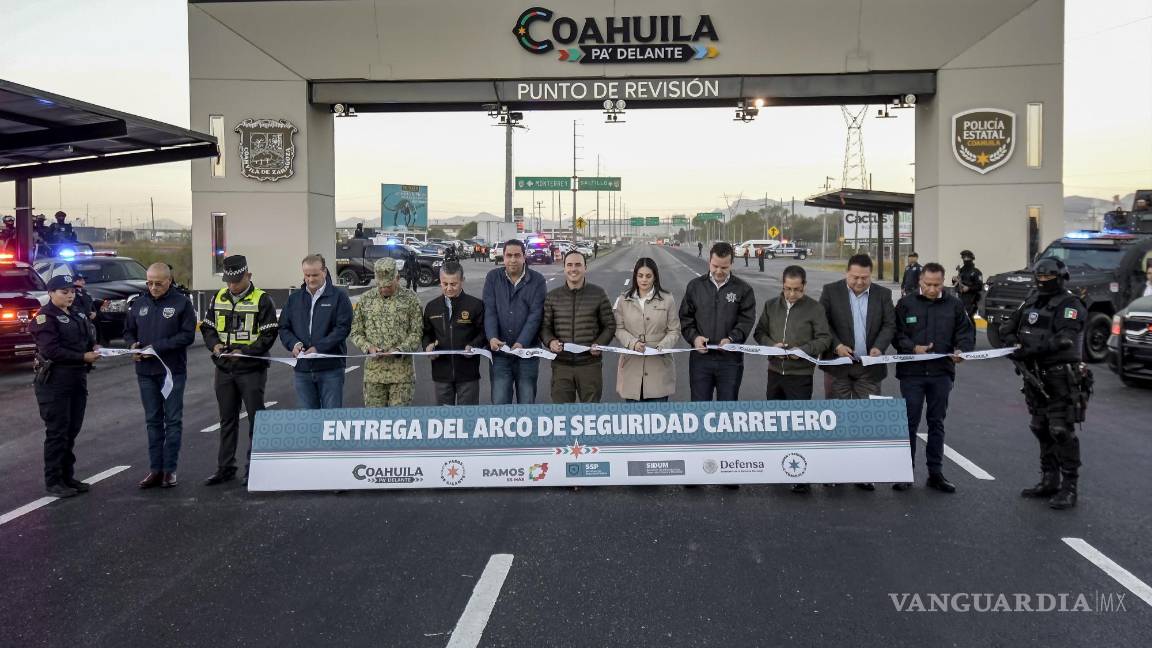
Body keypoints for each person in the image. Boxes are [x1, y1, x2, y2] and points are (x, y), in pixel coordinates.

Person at [999, 257, 1089, 510]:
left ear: (1060, 278)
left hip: (1061, 376)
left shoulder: (1071, 304)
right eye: (1040, 278)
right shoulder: (1032, 299)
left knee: (1061, 430)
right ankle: (1049, 479)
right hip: (1035, 376)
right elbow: (1009, 325)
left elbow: (1065, 339)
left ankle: (1070, 487)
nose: (1043, 282)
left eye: (1048, 279)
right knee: (1040, 426)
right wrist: (1008, 341)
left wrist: (1030, 351)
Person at [891, 262, 975, 493]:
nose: (931, 289)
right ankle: (904, 473)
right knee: (909, 423)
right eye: (928, 284)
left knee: (936, 423)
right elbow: (896, 334)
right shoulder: (906, 304)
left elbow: (966, 332)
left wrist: (961, 350)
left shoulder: (954, 305)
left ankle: (935, 473)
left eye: (937, 285)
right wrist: (912, 348)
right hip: (912, 374)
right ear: (920, 281)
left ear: (943, 281)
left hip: (941, 374)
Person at [199, 254, 279, 486]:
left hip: (251, 369)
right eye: (228, 281)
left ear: (248, 275)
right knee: (227, 419)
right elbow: (208, 327)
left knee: (257, 419)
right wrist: (214, 345)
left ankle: (255, 468)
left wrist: (244, 352)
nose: (232, 286)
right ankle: (225, 467)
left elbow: (269, 334)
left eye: (236, 281)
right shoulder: (219, 297)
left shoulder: (262, 299)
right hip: (224, 368)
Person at [819, 253, 896, 491]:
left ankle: (864, 472)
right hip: (838, 365)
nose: (860, 282)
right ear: (846, 273)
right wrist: (836, 345)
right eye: (855, 277)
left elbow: (889, 324)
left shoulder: (883, 295)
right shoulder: (831, 291)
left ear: (870, 275)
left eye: (864, 278)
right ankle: (836, 471)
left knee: (866, 418)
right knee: (837, 418)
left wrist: (878, 347)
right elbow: (823, 323)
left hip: (869, 367)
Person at [123, 263, 197, 489]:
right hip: (145, 372)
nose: (153, 287)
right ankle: (155, 469)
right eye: (150, 283)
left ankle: (169, 470)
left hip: (172, 372)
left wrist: (157, 347)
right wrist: (132, 345)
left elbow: (187, 336)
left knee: (172, 421)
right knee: (152, 422)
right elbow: (128, 331)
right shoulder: (138, 303)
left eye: (159, 283)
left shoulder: (182, 303)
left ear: (169, 280)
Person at [31, 274, 100, 497]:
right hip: (55, 382)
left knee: (72, 430)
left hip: (76, 379)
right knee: (57, 432)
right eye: (64, 292)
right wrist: (82, 357)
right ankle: (53, 481)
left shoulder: (77, 314)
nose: (70, 295)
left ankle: (67, 476)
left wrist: (94, 348)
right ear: (51, 293)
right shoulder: (44, 318)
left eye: (71, 291)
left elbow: (85, 339)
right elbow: (52, 350)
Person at [680, 242, 756, 401]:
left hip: (730, 360)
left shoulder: (743, 289)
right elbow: (686, 318)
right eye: (715, 266)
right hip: (701, 359)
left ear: (731, 264)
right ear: (709, 261)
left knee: (727, 410)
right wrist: (694, 338)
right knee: (700, 408)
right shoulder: (695, 286)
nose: (719, 271)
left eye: (724, 267)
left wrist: (732, 339)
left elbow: (746, 320)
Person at [278, 254, 354, 409]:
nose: (310, 279)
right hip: (302, 370)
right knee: (308, 420)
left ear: (324, 272)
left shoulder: (339, 297)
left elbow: (342, 328)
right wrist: (294, 344)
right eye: (307, 275)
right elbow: (284, 327)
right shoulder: (294, 299)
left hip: (331, 369)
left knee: (331, 420)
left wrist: (318, 348)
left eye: (315, 275)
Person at [541, 250, 615, 403]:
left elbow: (610, 325)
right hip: (561, 365)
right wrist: (550, 342)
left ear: (585, 268)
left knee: (590, 415)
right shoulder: (553, 296)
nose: (573, 269)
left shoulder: (598, 293)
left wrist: (600, 344)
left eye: (578, 265)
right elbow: (544, 326)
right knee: (562, 415)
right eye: (569, 265)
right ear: (564, 267)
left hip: (589, 365)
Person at [350, 258, 422, 406]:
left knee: (399, 423)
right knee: (375, 423)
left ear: (397, 278)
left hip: (401, 375)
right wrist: (368, 347)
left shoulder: (411, 299)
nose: (384, 289)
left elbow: (417, 332)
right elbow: (356, 332)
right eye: (380, 285)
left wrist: (400, 349)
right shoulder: (365, 299)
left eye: (388, 285)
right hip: (374, 375)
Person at [753, 265, 832, 400]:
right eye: (787, 289)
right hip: (774, 372)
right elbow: (759, 333)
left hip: (801, 376)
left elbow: (824, 339)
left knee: (798, 417)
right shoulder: (770, 305)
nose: (792, 294)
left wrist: (803, 350)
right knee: (774, 415)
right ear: (783, 284)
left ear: (804, 285)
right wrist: (772, 346)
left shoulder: (815, 308)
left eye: (797, 289)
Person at [483, 239, 547, 404]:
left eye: (517, 255)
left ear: (524, 257)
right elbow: (489, 311)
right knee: (500, 404)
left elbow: (535, 315)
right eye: (508, 255)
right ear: (503, 257)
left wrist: (521, 343)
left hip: (527, 353)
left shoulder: (538, 280)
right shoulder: (492, 278)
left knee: (526, 405)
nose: (512, 259)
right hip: (500, 355)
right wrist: (491, 337)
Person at [613, 258, 680, 402]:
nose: (644, 280)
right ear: (635, 277)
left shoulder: (667, 299)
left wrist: (663, 346)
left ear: (655, 277)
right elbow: (618, 329)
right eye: (640, 275)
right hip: (632, 365)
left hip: (659, 364)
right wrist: (633, 343)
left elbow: (674, 330)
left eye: (648, 276)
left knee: (657, 420)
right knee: (634, 421)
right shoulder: (624, 299)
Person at [422, 261, 486, 405]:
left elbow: (483, 333)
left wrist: (473, 345)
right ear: (440, 281)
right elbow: (426, 334)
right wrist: (428, 346)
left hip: (468, 374)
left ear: (462, 281)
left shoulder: (475, 305)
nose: (449, 288)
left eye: (454, 284)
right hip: (441, 374)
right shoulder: (432, 307)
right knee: (444, 421)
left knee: (468, 418)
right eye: (445, 284)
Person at [952, 250, 983, 319]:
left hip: (972, 300)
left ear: (972, 259)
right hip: (960, 299)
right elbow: (957, 284)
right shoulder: (961, 271)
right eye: (964, 258)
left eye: (967, 258)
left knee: (970, 319)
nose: (965, 259)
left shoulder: (976, 272)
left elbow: (979, 286)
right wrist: (954, 280)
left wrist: (969, 288)